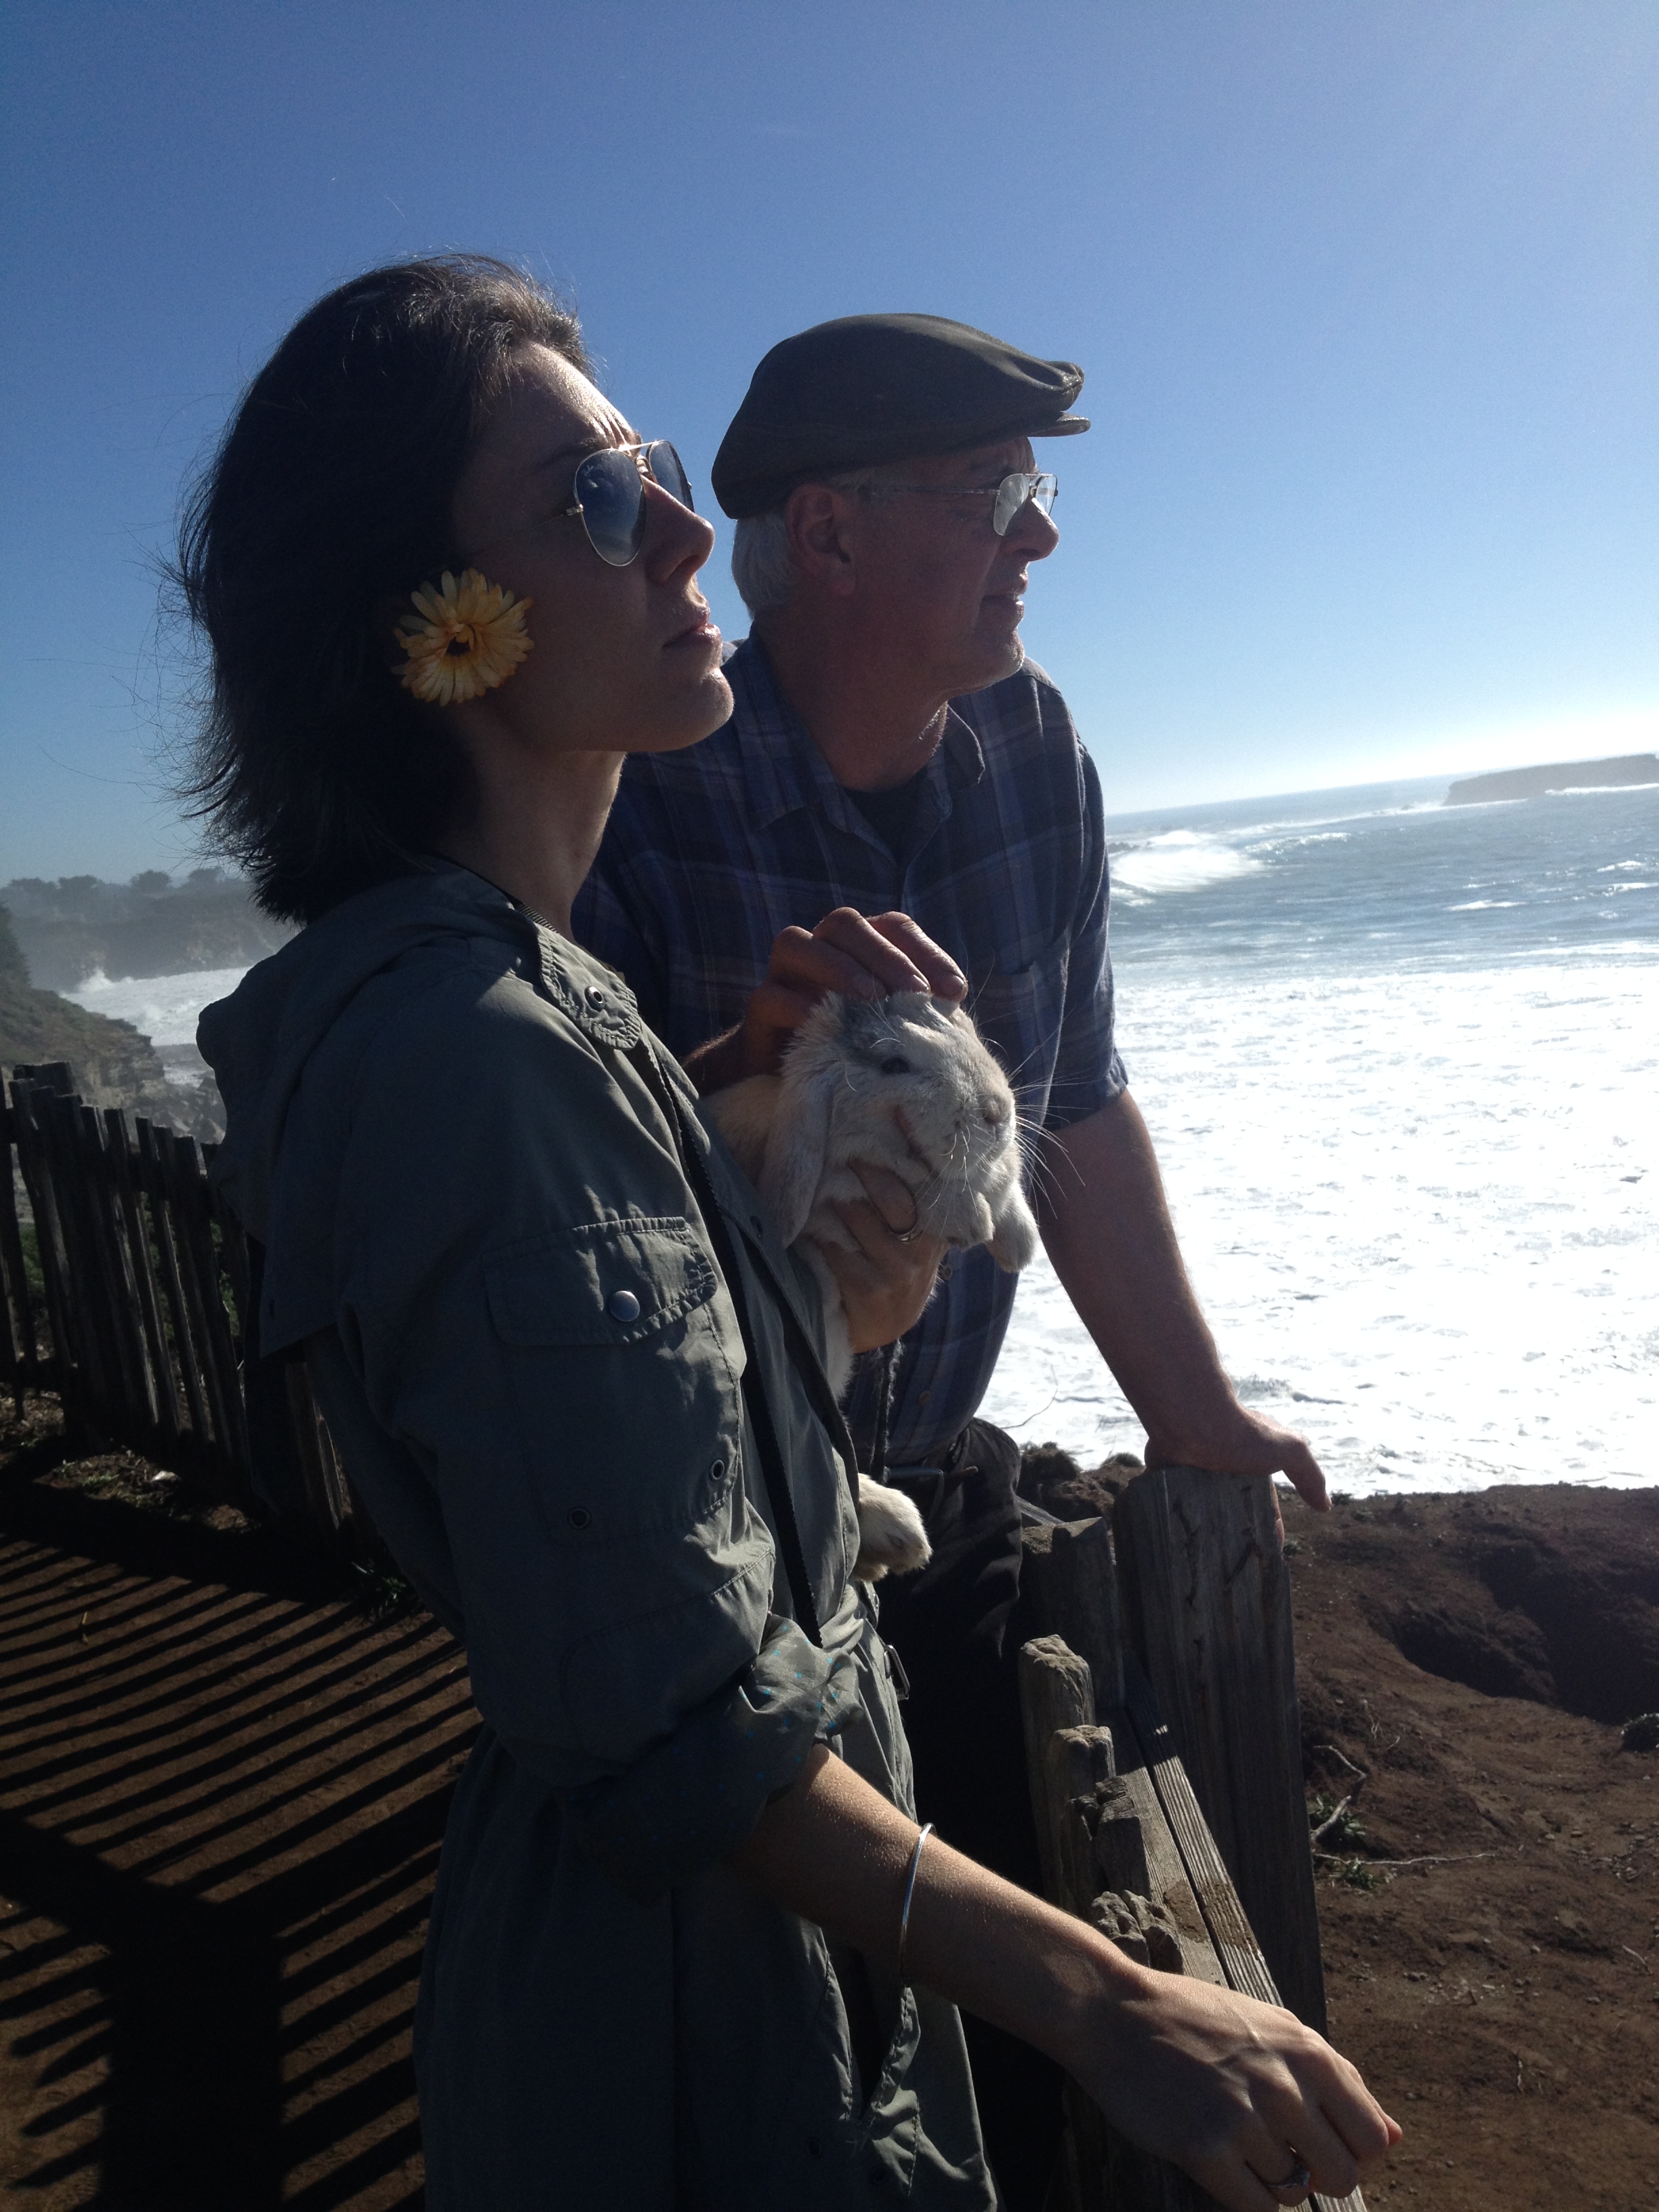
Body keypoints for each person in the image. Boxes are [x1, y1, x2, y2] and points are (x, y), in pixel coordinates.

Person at [185, 259, 1397, 2211]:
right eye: (601, 501)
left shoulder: (549, 993)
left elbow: (688, 1226)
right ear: (441, 627)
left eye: (655, 471)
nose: (687, 536)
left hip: (841, 1594)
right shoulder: (489, 1021)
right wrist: (1108, 2009)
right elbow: (666, 1697)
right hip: (703, 1908)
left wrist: (1151, 1396)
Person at [572, 312, 1338, 2199]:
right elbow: (564, 1207)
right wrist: (744, 1069)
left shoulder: (1033, 748)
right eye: (996, 494)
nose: (1043, 535)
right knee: (764, 2059)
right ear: (829, 535)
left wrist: (1194, 1411)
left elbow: (1080, 1103)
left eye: (1037, 487)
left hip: (930, 1494)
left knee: (1003, 2051)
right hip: (710, 1546)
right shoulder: (633, 790)